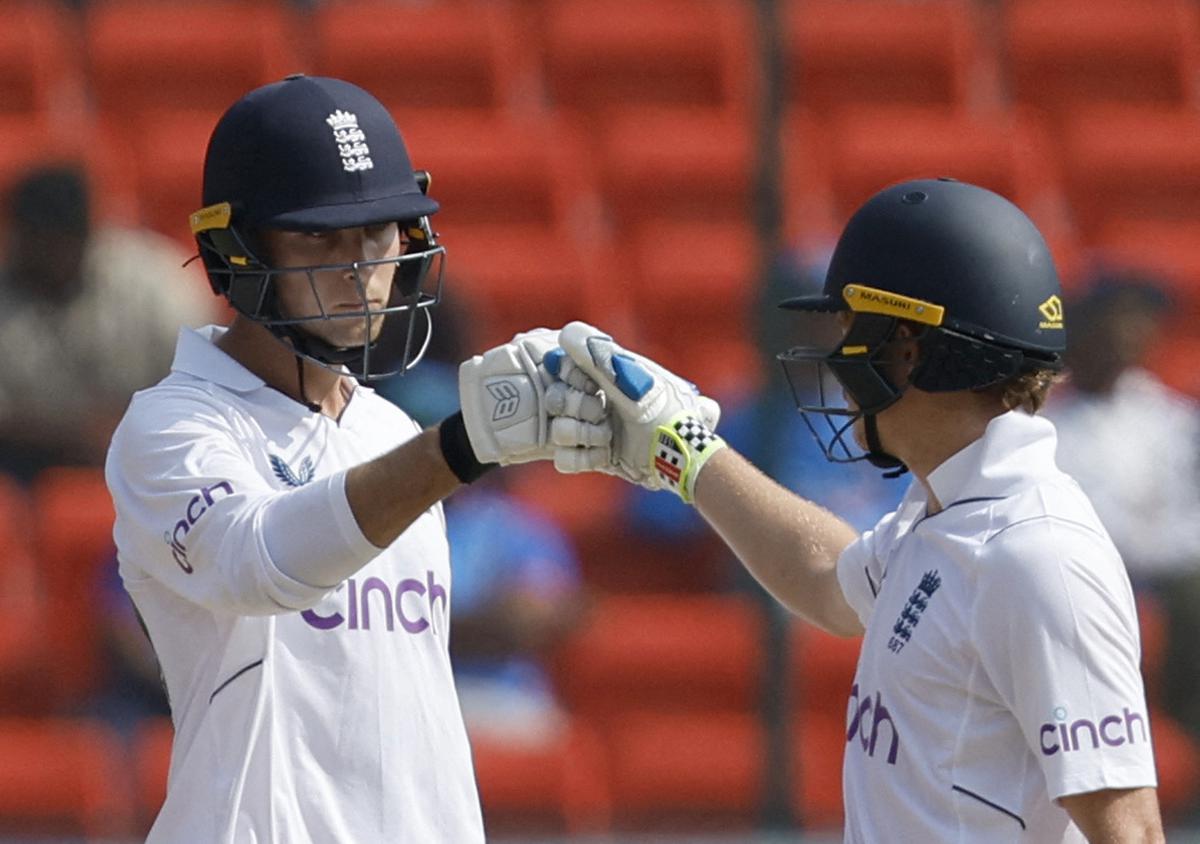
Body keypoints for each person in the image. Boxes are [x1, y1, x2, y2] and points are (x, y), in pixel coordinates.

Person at [546, 179, 1163, 842]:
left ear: (908, 347)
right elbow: (826, 579)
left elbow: (1131, 833)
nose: (837, 364)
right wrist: (686, 455)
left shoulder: (1035, 554)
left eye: (848, 331)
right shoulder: (945, 511)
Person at [104, 75, 605, 842]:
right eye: (319, 237)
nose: (359, 267)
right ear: (234, 250)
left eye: (378, 233)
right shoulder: (171, 427)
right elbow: (259, 561)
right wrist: (461, 446)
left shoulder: (391, 432)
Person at [1044, 274, 1200, 756]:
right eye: (1111, 323)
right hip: (1081, 572)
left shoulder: (1172, 418)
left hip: (1167, 571)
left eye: (1137, 323)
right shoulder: (1047, 426)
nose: (1124, 336)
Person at [0, 164, 211, 483]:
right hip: (33, 464)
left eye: (63, 239)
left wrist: (128, 425)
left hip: (156, 444)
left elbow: (205, 378)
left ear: (88, 233)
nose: (52, 252)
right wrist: (78, 434)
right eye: (39, 239)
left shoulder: (153, 279)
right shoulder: (7, 290)